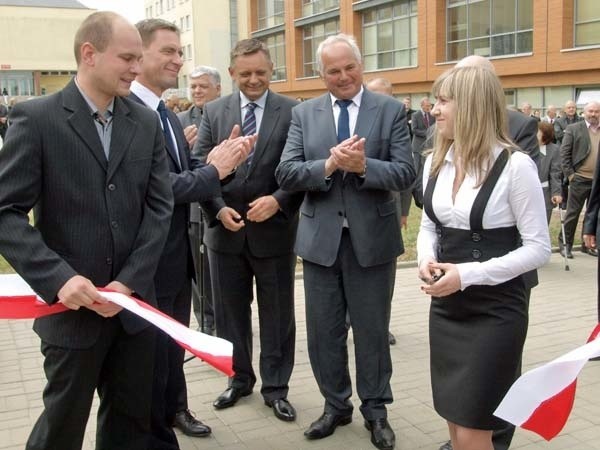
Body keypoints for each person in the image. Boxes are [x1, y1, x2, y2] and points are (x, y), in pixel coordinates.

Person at [0, 12, 175, 449]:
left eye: (139, 58)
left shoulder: (145, 121)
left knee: (131, 429)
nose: (137, 68)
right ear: (89, 54)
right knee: (61, 428)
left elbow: (159, 209)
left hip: (133, 315)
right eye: (128, 58)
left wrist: (129, 283)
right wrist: (59, 279)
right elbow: (5, 212)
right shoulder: (36, 119)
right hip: (71, 318)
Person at [276, 34, 415, 450]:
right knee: (324, 332)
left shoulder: (390, 110)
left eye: (349, 67)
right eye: (333, 71)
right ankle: (335, 405)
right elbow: (286, 172)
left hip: (371, 241)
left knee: (372, 331)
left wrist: (362, 167)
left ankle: (376, 410)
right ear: (322, 75)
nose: (343, 77)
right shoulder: (304, 113)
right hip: (320, 243)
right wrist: (331, 164)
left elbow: (406, 173)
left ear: (361, 64)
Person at [131, 19, 254, 448]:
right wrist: (216, 170)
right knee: (148, 355)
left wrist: (217, 166)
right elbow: (161, 188)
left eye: (180, 52)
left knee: (173, 341)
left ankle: (176, 408)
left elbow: (184, 176)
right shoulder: (132, 112)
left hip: (176, 255)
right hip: (143, 262)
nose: (178, 60)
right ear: (138, 53)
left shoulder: (164, 112)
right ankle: (156, 424)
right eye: (168, 51)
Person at [418, 64, 550, 450]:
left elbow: (538, 248)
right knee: (455, 420)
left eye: (443, 101)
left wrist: (467, 274)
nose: (435, 109)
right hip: (446, 309)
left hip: (495, 312)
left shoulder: (516, 166)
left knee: (476, 425)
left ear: (472, 105)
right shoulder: (435, 161)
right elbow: (429, 226)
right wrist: (427, 259)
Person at [195, 38, 302, 422]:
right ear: (231, 74)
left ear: (271, 70)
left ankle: (276, 388)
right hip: (224, 234)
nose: (253, 79)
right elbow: (198, 168)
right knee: (229, 314)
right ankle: (239, 380)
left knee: (277, 315)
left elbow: (300, 167)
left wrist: (279, 199)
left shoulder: (293, 111)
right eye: (245, 74)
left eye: (260, 72)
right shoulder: (212, 111)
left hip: (273, 233)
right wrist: (218, 209)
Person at [177, 65, 222, 335]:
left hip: (222, 205)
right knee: (197, 270)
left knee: (222, 272)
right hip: (193, 208)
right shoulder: (179, 120)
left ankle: (226, 320)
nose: (197, 91)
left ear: (218, 88)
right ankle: (205, 323)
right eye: (193, 86)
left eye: (203, 86)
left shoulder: (226, 115)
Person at [559, 101, 600, 258]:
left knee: (593, 213)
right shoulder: (574, 129)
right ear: (584, 112)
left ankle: (587, 245)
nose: (593, 114)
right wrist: (571, 175)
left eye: (596, 111)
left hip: (597, 181)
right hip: (580, 178)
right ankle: (565, 244)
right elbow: (564, 154)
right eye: (590, 111)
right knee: (573, 214)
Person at [537, 121, 563, 223]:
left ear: (545, 136)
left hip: (544, 193)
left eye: (537, 133)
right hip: (526, 193)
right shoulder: (526, 148)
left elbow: (555, 173)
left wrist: (556, 193)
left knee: (542, 224)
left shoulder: (554, 150)